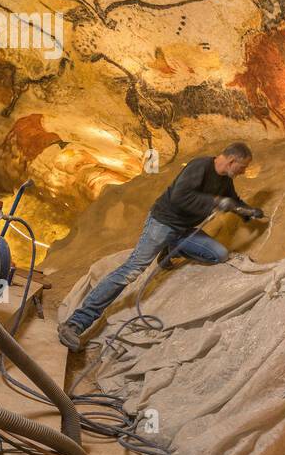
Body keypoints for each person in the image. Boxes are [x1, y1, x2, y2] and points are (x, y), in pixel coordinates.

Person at [57, 142, 264, 351]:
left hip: (183, 230)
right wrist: (216, 202)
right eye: (243, 166)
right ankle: (76, 323)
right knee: (132, 270)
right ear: (231, 161)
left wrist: (247, 211)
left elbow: (232, 200)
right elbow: (180, 197)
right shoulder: (199, 167)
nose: (244, 171)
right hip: (163, 224)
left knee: (219, 254)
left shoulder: (224, 180)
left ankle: (172, 248)